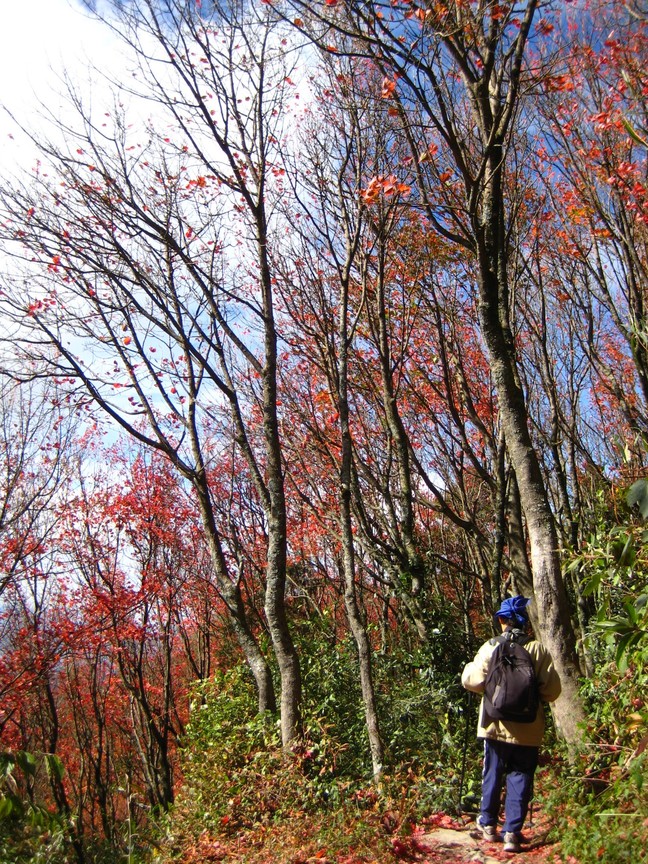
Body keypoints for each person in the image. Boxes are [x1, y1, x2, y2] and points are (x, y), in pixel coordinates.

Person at [461, 595, 561, 853]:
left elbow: (471, 681)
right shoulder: (538, 650)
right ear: (525, 622)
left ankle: (488, 825)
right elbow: (552, 691)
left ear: (502, 620)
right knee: (521, 776)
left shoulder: (491, 647)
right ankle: (512, 834)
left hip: (494, 724)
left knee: (492, 773)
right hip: (528, 728)